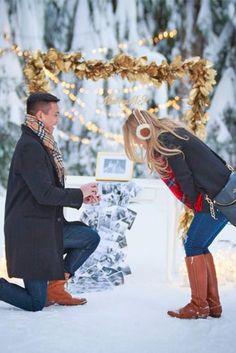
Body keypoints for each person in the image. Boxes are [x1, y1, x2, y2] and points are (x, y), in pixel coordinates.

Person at [123, 108, 232, 319]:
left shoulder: (164, 140)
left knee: (192, 244)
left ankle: (200, 305)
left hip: (216, 197)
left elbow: (183, 175)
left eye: (134, 136)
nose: (136, 142)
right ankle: (212, 304)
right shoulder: (173, 133)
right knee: (198, 244)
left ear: (142, 131)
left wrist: (195, 203)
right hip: (224, 193)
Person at [1, 92, 101, 312]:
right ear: (40, 115)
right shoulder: (30, 146)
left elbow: (46, 190)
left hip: (46, 227)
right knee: (35, 303)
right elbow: (44, 194)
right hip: (31, 235)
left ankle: (55, 289)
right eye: (55, 115)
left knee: (89, 238)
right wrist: (79, 193)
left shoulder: (41, 143)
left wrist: (82, 196)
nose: (58, 119)